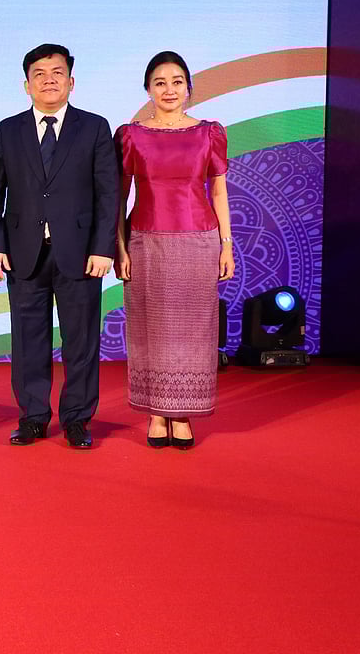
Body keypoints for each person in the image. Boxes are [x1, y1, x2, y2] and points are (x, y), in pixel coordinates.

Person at [0, 43, 118, 449]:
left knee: (80, 341)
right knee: (28, 341)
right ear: (26, 85)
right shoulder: (7, 130)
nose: (49, 80)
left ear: (71, 81)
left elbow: (107, 193)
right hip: (23, 250)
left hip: (80, 252)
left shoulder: (94, 127)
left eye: (57, 72)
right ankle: (33, 417)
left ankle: (77, 419)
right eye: (39, 73)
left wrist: (103, 247)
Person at [115, 51, 233, 449]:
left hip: (199, 240)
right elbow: (120, 195)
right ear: (148, 89)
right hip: (145, 241)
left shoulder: (210, 132)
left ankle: (182, 414)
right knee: (150, 328)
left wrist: (226, 245)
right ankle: (155, 411)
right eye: (160, 82)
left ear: (189, 87)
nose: (169, 89)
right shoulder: (131, 134)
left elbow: (218, 189)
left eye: (177, 81)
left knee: (193, 331)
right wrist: (119, 245)